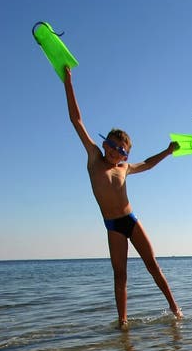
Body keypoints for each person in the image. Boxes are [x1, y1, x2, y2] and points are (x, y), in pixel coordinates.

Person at [63, 68, 182, 328]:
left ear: (125, 156)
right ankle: (123, 322)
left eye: (122, 150)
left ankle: (175, 309)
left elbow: (148, 164)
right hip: (113, 226)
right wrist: (68, 82)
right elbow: (76, 120)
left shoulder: (124, 168)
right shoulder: (94, 158)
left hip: (130, 219)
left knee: (153, 266)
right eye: (113, 146)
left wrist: (168, 150)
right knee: (120, 275)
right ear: (105, 144)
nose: (116, 152)